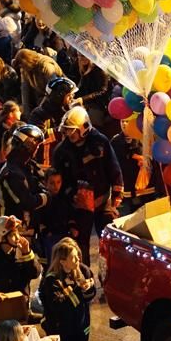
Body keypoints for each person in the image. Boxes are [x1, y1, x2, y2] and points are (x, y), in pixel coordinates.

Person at [54, 106, 123, 266]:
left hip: (102, 200)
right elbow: (60, 182)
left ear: (83, 128)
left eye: (72, 131)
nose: (68, 135)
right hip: (79, 205)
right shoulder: (62, 151)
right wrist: (71, 198)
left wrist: (117, 195)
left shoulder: (100, 142)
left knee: (109, 240)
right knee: (79, 244)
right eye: (66, 131)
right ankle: (83, 275)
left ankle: (111, 272)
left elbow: (113, 168)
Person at [40, 237, 98, 341]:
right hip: (63, 333)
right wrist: (78, 288)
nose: (78, 259)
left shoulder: (83, 270)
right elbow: (59, 307)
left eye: (77, 255)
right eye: (73, 257)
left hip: (80, 329)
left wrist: (88, 288)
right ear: (62, 262)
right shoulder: (51, 281)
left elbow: (90, 295)